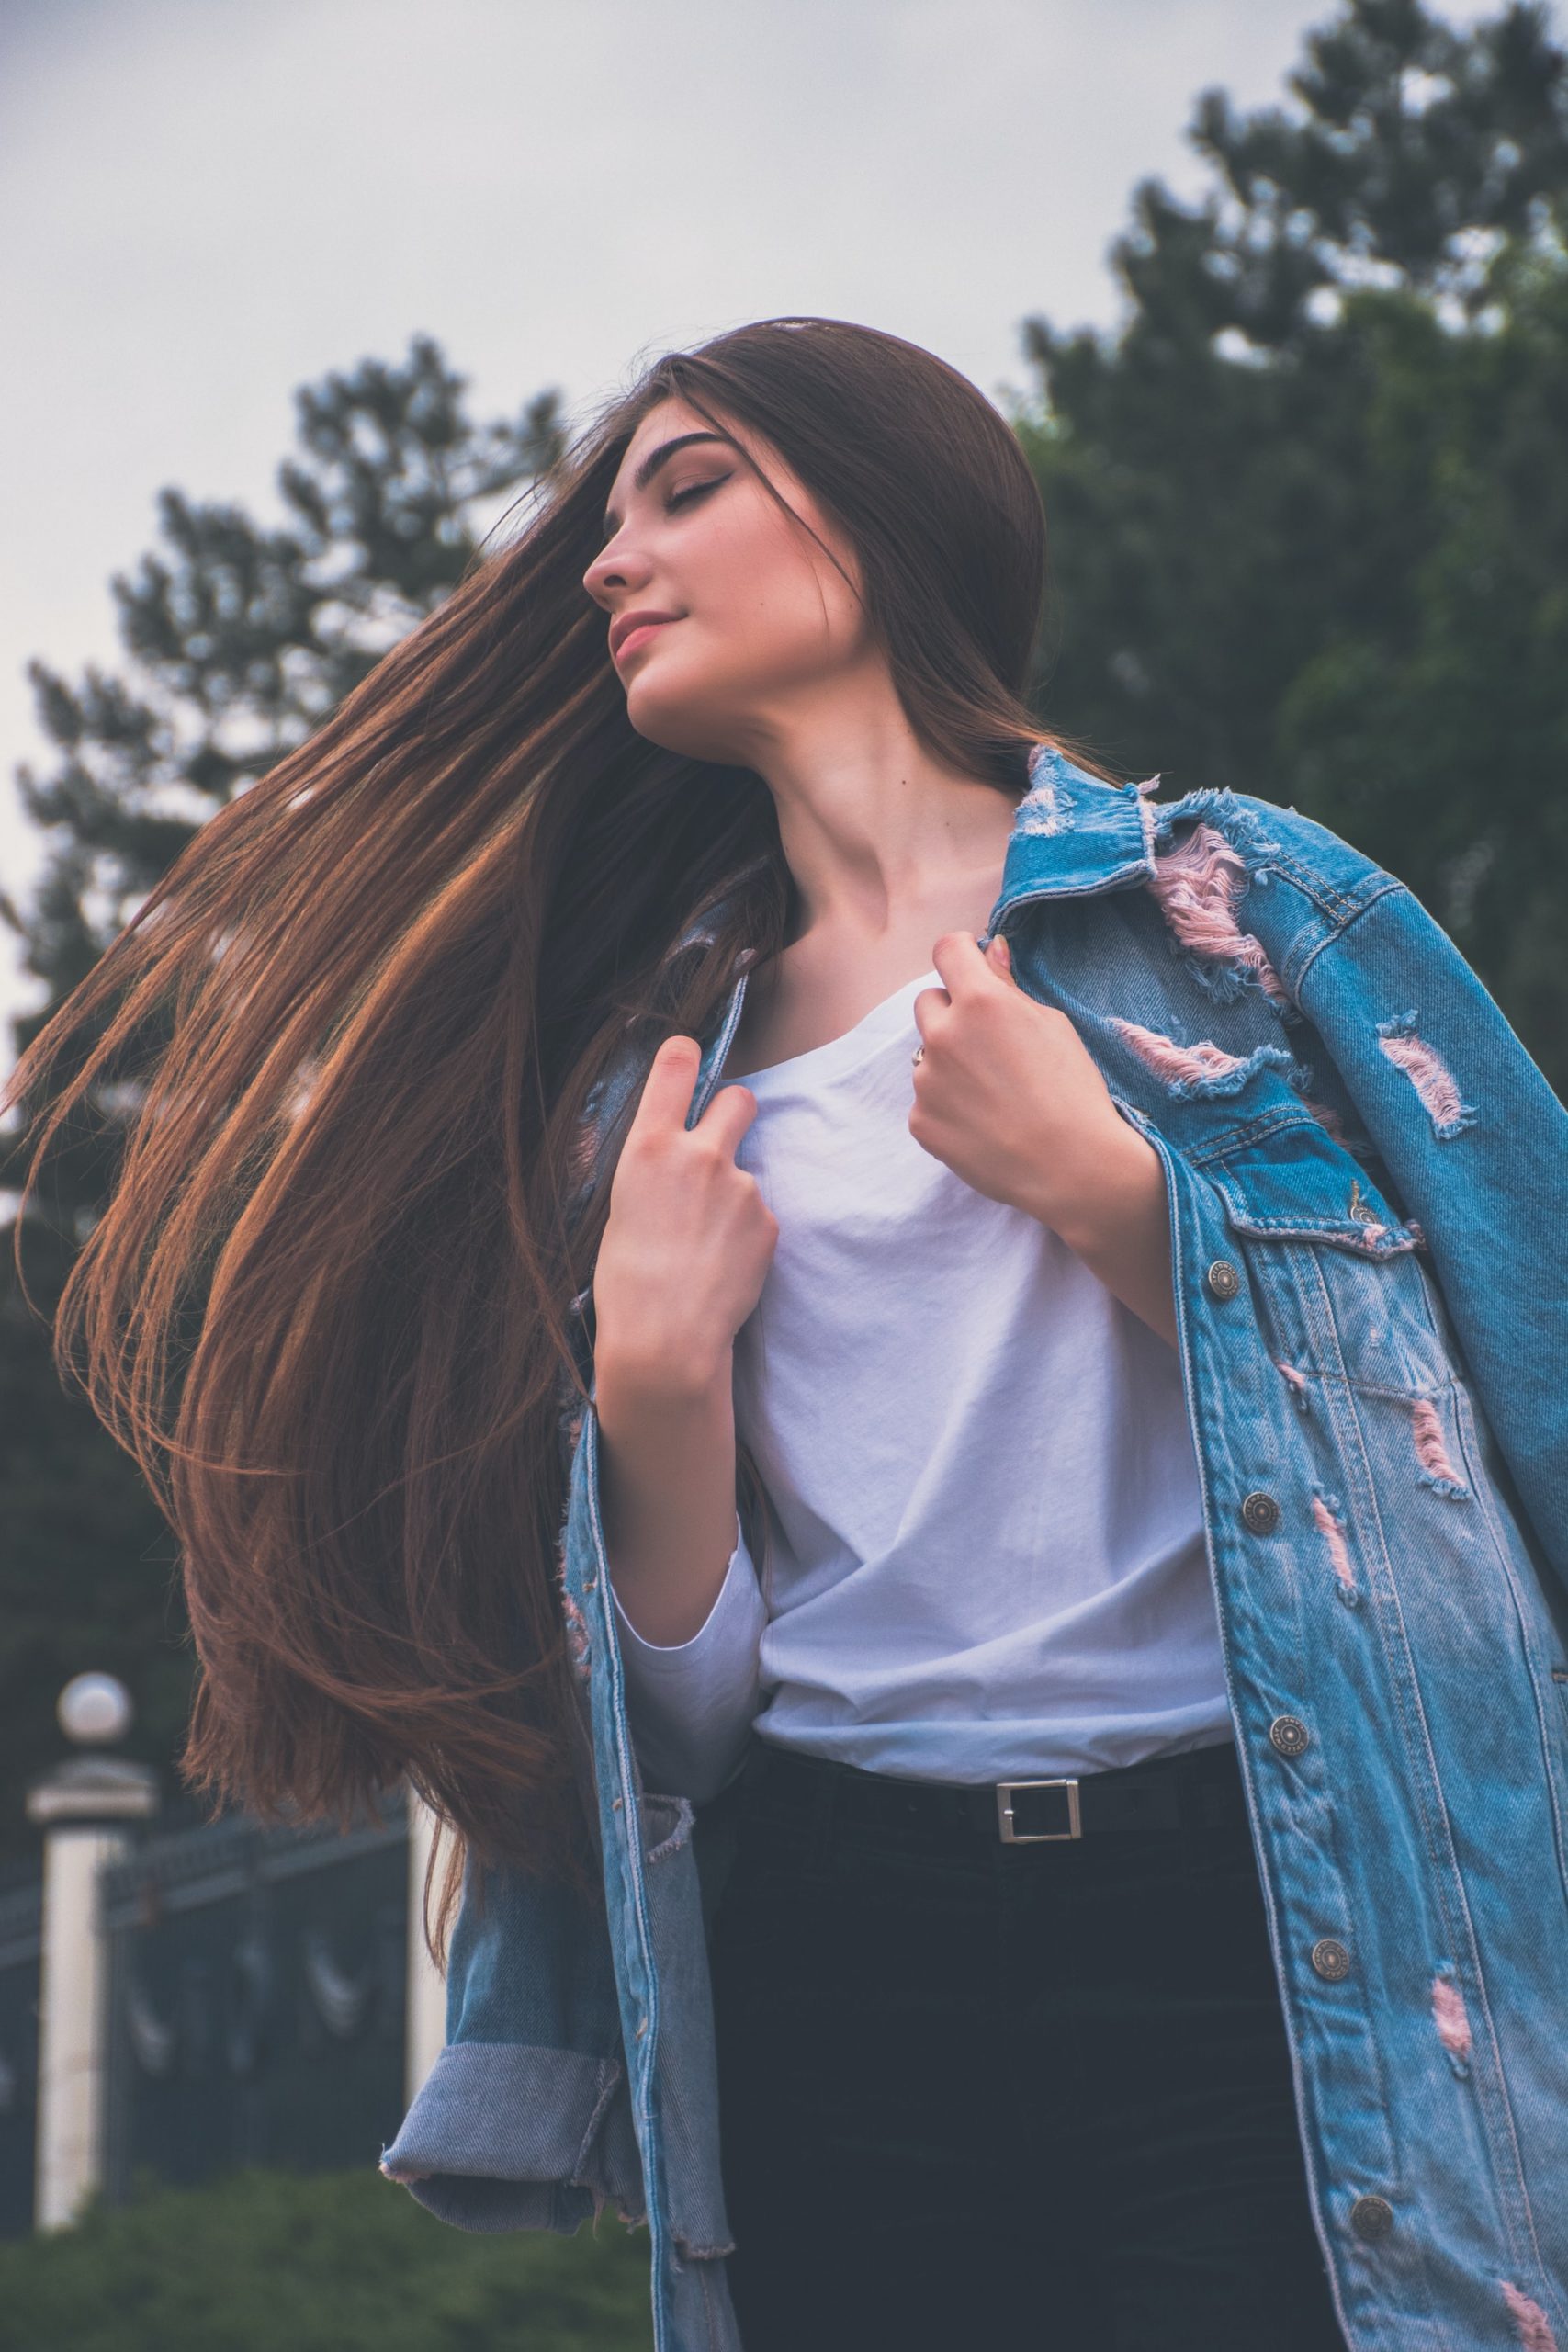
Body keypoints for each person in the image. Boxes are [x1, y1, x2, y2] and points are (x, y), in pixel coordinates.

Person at [9, 319, 1566, 2352]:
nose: (605, 558)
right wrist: (651, 1387)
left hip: (1273, 1919)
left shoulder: (1239, 913)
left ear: (882, 515)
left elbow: (1515, 1380)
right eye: (612, 511)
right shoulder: (642, 1087)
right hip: (841, 1941)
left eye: (685, 486)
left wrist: (1116, 1198)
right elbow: (686, 1723)